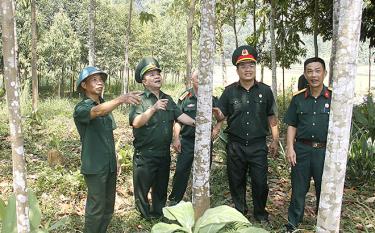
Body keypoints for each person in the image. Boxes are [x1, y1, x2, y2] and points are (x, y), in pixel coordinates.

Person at [213, 45, 279, 223]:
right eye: (243, 66)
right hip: (236, 145)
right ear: (237, 70)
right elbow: (221, 115)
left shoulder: (265, 91)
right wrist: (216, 113)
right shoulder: (229, 91)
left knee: (260, 182)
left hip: (258, 145)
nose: (247, 69)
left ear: (255, 67)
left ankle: (260, 213)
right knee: (236, 181)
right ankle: (240, 213)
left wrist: (274, 140)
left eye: (251, 65)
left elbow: (271, 117)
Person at [73, 66, 141, 233]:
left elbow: (108, 135)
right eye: (94, 80)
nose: (100, 83)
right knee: (96, 206)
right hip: (94, 165)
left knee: (108, 206)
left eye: (101, 79)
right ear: (84, 85)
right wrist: (121, 99)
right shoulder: (82, 107)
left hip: (109, 163)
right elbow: (96, 112)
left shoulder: (105, 105)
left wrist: (116, 158)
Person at [129, 56, 195, 220]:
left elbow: (181, 116)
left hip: (163, 153)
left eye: (157, 73)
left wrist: (198, 123)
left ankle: (158, 216)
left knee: (160, 188)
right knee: (142, 190)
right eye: (151, 74)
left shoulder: (168, 98)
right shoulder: (140, 99)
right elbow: (136, 122)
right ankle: (144, 219)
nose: (156, 76)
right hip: (145, 154)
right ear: (144, 81)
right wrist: (153, 109)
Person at [284, 57, 332, 232]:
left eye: (318, 71)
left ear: (324, 73)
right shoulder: (298, 98)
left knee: (324, 189)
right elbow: (292, 125)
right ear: (305, 74)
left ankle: (323, 223)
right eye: (310, 71)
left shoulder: (333, 98)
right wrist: (290, 147)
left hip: (324, 151)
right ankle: (293, 222)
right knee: (298, 188)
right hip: (302, 150)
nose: (314, 75)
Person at [168, 70, 223, 205]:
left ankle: (200, 202)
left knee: (204, 173)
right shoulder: (185, 97)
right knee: (181, 171)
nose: (201, 79)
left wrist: (217, 128)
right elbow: (177, 119)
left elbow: (221, 117)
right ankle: (175, 202)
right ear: (192, 79)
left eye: (204, 77)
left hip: (205, 142)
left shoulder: (212, 97)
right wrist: (176, 138)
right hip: (187, 141)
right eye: (198, 77)